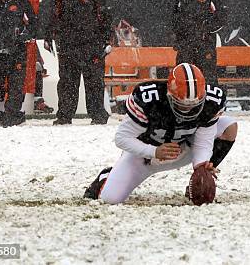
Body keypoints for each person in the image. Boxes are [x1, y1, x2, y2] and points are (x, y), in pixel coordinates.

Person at [83, 64, 238, 204]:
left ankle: (199, 179)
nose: (189, 109)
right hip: (145, 157)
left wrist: (200, 165)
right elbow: (121, 138)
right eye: (182, 105)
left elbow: (204, 140)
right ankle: (107, 175)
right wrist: (154, 151)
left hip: (182, 148)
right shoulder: (149, 100)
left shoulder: (212, 102)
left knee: (229, 126)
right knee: (110, 199)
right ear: (170, 95)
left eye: (194, 105)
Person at [45, 0, 113, 125]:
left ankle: (98, 115)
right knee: (67, 83)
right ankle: (64, 116)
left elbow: (106, 20)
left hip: (92, 46)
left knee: (94, 83)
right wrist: (48, 36)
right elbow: (54, 18)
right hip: (68, 46)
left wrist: (106, 42)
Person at [172, 0, 227, 82]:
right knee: (183, 75)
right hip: (185, 43)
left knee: (207, 76)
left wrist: (205, 30)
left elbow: (222, 15)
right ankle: (184, 100)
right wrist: (177, 35)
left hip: (205, 43)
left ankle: (209, 99)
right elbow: (175, 14)